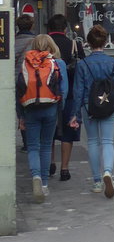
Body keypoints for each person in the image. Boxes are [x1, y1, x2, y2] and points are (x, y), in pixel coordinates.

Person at [68, 25, 114, 199]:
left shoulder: (83, 64)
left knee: (93, 142)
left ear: (88, 42)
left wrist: (75, 115)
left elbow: (77, 91)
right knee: (108, 141)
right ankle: (108, 172)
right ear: (105, 41)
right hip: (109, 105)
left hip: (89, 105)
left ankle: (96, 181)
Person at [16, 34, 69, 203]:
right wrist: (59, 109)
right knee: (46, 146)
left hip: (30, 108)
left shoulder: (26, 62)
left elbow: (19, 90)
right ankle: (44, 184)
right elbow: (64, 91)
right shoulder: (58, 63)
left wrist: (21, 116)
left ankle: (36, 177)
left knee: (33, 146)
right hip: (50, 108)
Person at [47, 12, 87, 181]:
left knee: (48, 132)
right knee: (68, 133)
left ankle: (50, 163)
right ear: (65, 28)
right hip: (70, 95)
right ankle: (65, 168)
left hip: (48, 96)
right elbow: (83, 69)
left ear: (49, 28)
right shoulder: (74, 45)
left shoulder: (44, 45)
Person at [12, 13, 36, 152]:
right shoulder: (36, 42)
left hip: (17, 83)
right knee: (33, 110)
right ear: (32, 26)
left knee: (21, 112)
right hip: (32, 82)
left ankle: (27, 142)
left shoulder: (12, 41)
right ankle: (34, 141)